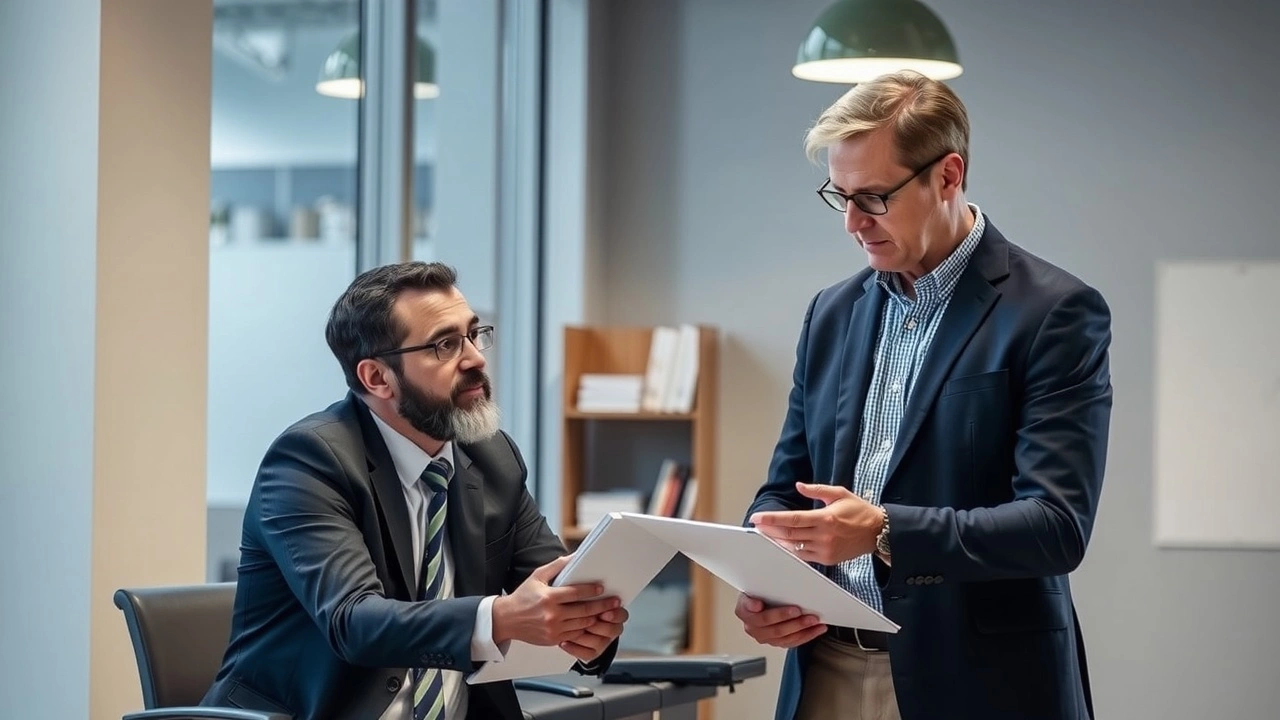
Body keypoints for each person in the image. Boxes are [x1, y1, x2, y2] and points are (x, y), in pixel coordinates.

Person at [736, 70, 1112, 720]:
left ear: (948, 176)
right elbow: (786, 488)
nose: (853, 222)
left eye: (874, 197)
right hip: (824, 671)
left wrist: (884, 530)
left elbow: (1055, 527)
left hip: (981, 685)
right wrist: (766, 578)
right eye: (839, 195)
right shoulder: (831, 313)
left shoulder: (1053, 312)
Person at [202, 261, 627, 720]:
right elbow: (354, 622)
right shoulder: (310, 461)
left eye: (473, 334)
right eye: (445, 344)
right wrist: (500, 617)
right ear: (377, 378)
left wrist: (585, 626)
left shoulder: (491, 456)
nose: (475, 358)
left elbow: (554, 583)